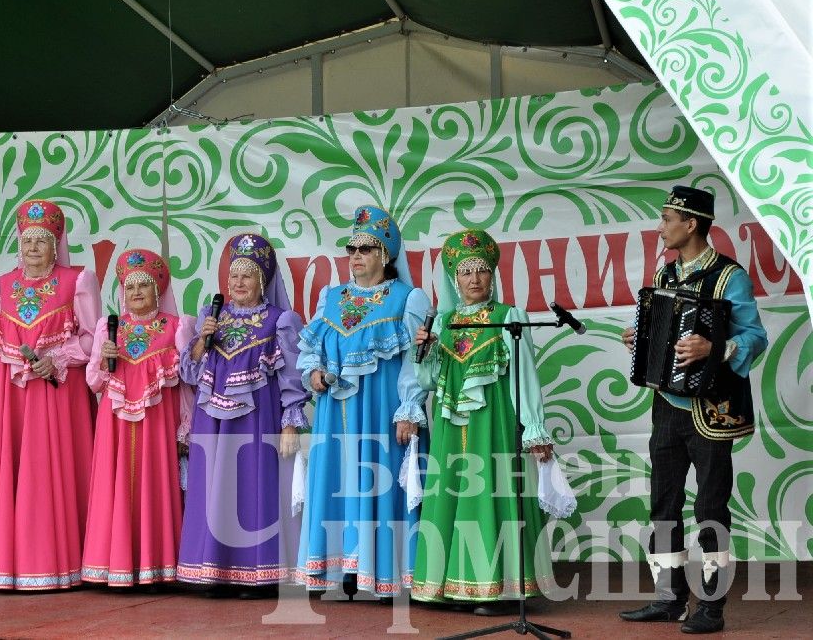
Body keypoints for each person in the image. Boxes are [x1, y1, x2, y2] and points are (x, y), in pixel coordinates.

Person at [618, 186, 767, 634]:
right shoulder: (665, 276)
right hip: (667, 404)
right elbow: (660, 328)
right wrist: (639, 338)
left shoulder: (729, 276)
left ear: (691, 224)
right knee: (663, 503)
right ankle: (668, 597)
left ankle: (712, 607)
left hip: (711, 408)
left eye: (666, 219)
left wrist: (714, 347)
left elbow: (756, 337)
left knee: (709, 507)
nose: (660, 227)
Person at [408, 229, 555, 615]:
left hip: (494, 424)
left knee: (490, 491)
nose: (474, 280)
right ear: (454, 279)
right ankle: (454, 586)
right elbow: (425, 382)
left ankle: (496, 587)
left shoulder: (510, 317)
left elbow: (526, 377)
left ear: (493, 276)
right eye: (466, 272)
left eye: (482, 271)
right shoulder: (443, 323)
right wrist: (423, 351)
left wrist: (534, 427)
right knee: (453, 495)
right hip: (450, 425)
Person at [295, 205, 432, 599]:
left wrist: (411, 409)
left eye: (366, 249)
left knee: (377, 480)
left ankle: (381, 570)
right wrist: (314, 374)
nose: (356, 256)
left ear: (385, 255)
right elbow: (312, 350)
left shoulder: (409, 299)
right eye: (352, 249)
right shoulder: (330, 297)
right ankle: (341, 569)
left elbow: (415, 361)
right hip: (333, 413)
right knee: (335, 479)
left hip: (380, 410)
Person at [0, 199, 100, 590]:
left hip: (61, 393)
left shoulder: (78, 281)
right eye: (27, 240)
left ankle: (62, 563)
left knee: (56, 469)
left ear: (55, 244)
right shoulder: (0, 284)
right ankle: (11, 565)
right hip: (14, 397)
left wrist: (58, 358)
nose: (33, 248)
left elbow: (95, 338)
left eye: (42, 241)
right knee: (13, 471)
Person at [177, 233, 307, 598]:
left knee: (252, 488)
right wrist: (203, 339)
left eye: (247, 275)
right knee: (212, 488)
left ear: (263, 280)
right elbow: (188, 373)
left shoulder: (280, 321)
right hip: (211, 423)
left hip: (258, 420)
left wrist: (289, 424)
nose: (238, 283)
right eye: (233, 275)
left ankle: (254, 573)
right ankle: (213, 570)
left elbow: (293, 379)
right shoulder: (210, 317)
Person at [81, 248, 194, 588]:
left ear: (158, 291)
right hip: (113, 425)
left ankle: (154, 566)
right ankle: (112, 565)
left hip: (158, 425)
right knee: (113, 485)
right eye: (130, 288)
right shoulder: (108, 329)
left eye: (144, 286)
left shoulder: (177, 326)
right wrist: (103, 360)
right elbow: (93, 382)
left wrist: (185, 428)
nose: (136, 294)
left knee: (155, 486)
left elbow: (188, 384)